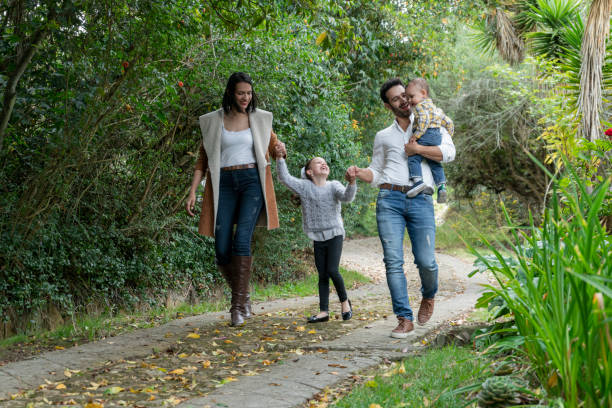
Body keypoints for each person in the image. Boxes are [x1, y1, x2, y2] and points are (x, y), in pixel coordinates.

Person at [346, 78, 455, 339]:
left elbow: (449, 153)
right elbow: (377, 170)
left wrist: (417, 148)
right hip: (389, 199)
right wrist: (361, 173)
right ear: (388, 105)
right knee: (393, 262)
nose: (403, 101)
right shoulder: (383, 136)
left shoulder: (432, 122)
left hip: (422, 199)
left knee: (426, 262)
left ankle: (428, 296)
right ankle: (404, 318)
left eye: (405, 96)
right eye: (396, 99)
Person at [185, 72, 283, 327]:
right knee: (221, 249)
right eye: (241, 93)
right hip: (224, 184)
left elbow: (274, 147)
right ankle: (244, 295)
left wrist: (281, 150)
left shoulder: (260, 120)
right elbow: (202, 161)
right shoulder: (212, 122)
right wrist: (192, 191)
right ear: (231, 92)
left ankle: (237, 307)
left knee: (242, 241)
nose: (246, 97)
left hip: (252, 181)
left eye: (249, 93)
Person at [275, 146, 356, 323]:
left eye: (324, 162)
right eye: (318, 162)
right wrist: (280, 158)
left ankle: (345, 303)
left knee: (333, 270)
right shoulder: (304, 187)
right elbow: (284, 178)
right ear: (310, 172)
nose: (323, 163)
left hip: (334, 233)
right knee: (322, 274)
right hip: (318, 236)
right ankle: (324, 311)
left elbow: (347, 197)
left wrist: (351, 183)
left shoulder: (333, 185)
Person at [404, 78, 454, 203]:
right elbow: (448, 121)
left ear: (423, 93)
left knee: (413, 157)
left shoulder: (420, 107)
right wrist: (449, 133)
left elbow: (424, 120)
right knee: (434, 163)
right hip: (436, 135)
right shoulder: (436, 109)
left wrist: (416, 136)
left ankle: (418, 182)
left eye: (411, 97)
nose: (409, 101)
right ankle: (442, 187)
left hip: (426, 133)